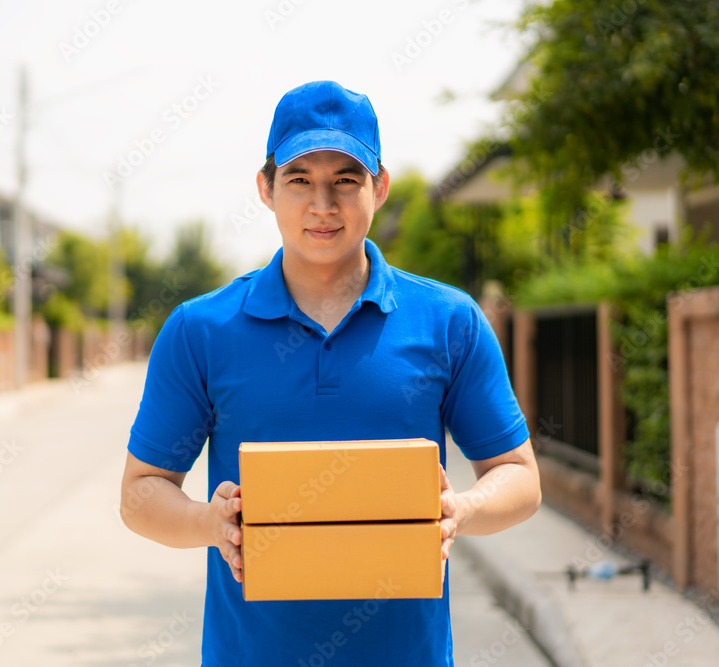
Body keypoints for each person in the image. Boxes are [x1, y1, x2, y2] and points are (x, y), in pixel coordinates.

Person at [119, 80, 542, 666]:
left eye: (346, 179)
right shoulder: (202, 330)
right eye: (300, 180)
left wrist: (460, 510)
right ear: (266, 189)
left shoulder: (449, 322)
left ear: (380, 187)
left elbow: (520, 478)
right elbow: (140, 493)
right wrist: (209, 523)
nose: (323, 205)